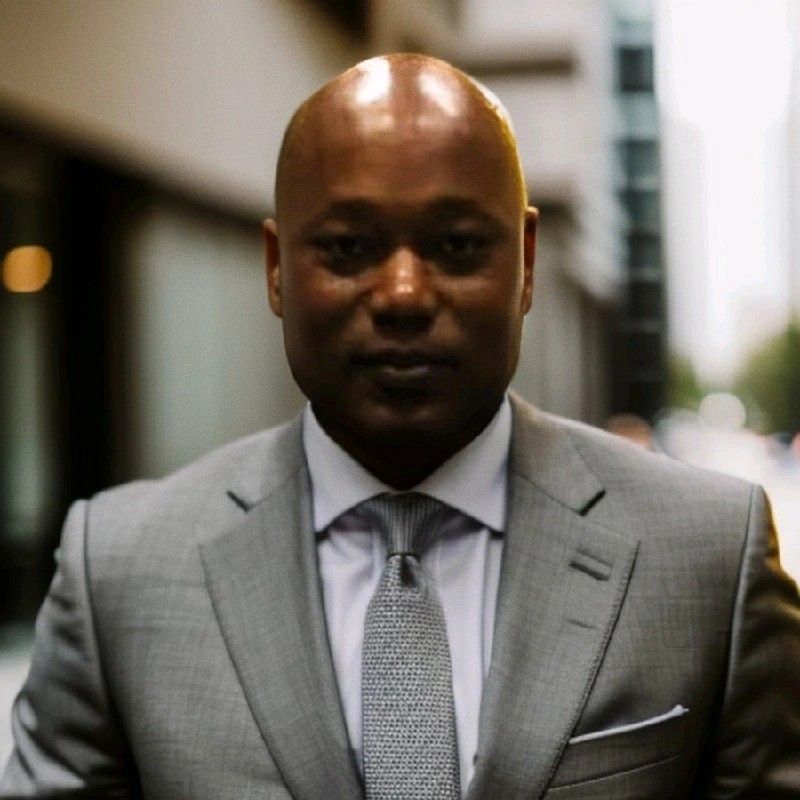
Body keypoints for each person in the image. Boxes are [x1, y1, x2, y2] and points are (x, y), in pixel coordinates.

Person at [2, 53, 799, 800]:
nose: (405, 294)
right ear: (277, 268)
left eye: (456, 246)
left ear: (524, 260)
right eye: (349, 248)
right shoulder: (118, 570)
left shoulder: (709, 558)